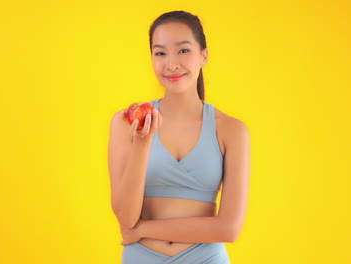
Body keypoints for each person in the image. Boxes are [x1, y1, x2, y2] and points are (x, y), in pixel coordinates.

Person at [107, 10, 250, 264]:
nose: (171, 63)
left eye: (183, 50)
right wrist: (142, 143)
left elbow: (229, 229)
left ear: (204, 55)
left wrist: (142, 230)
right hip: (141, 258)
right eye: (160, 53)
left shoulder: (232, 130)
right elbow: (126, 217)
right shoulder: (126, 123)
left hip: (207, 258)